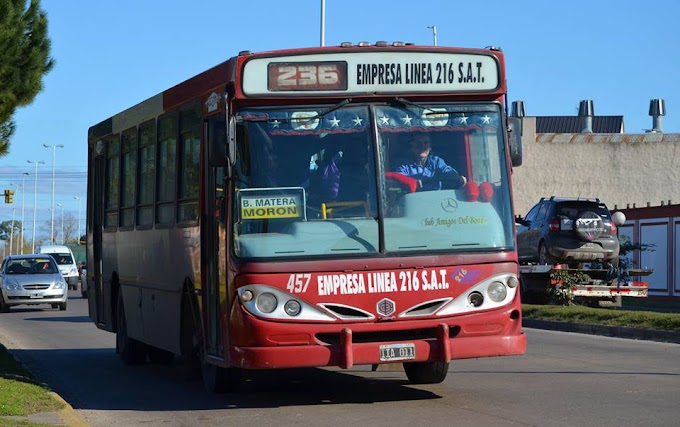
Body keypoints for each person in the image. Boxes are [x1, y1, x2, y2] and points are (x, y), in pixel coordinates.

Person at [395, 134, 467, 191]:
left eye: (426, 143)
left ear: (430, 148)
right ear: (411, 147)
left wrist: (458, 178)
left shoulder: (437, 162)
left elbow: (449, 173)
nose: (422, 146)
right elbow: (399, 182)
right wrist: (413, 183)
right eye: (418, 143)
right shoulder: (403, 165)